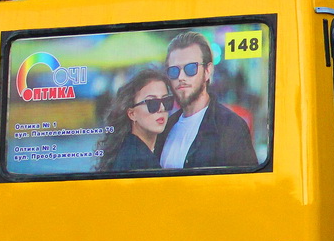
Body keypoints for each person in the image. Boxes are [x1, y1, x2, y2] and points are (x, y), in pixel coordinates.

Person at [158, 30, 258, 169]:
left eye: (190, 68)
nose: (181, 77)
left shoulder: (231, 127)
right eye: (174, 70)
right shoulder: (165, 128)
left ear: (207, 71)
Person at [96, 68, 174, 171]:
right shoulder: (140, 161)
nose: (162, 108)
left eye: (166, 100)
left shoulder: (125, 147)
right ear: (132, 114)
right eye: (152, 103)